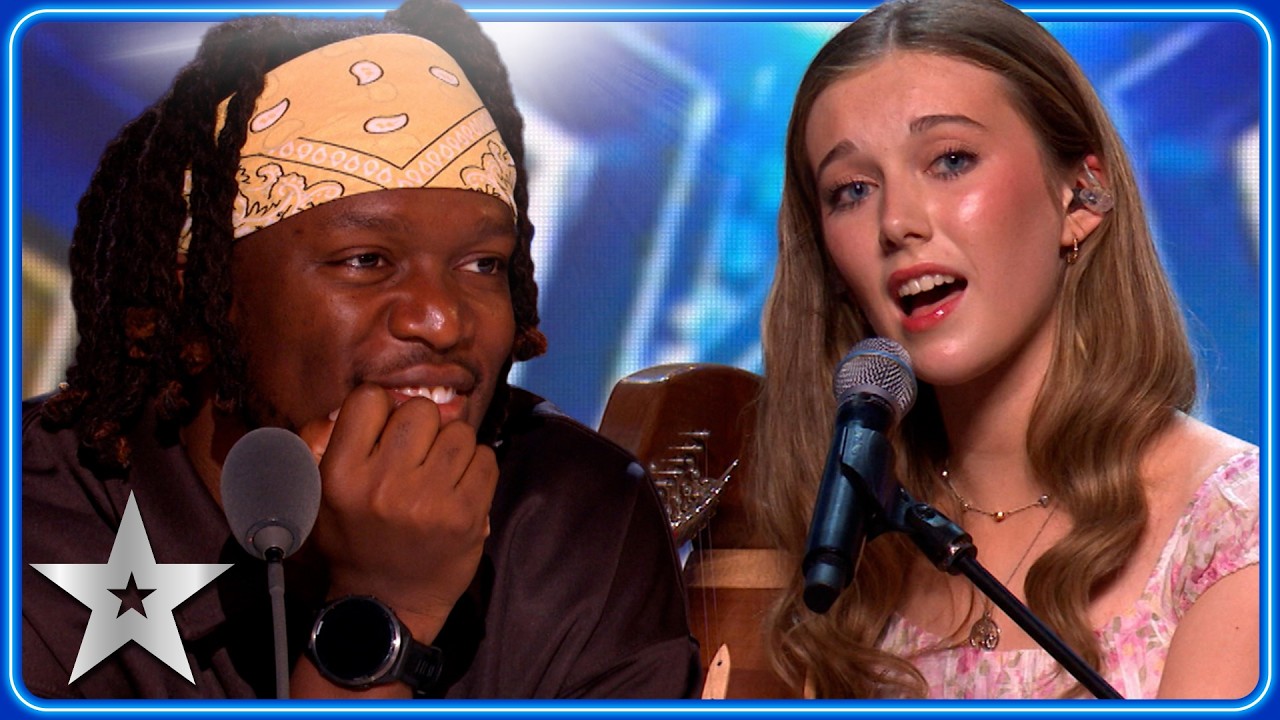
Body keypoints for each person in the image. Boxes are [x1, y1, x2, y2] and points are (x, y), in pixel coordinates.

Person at [21, 0, 699, 699]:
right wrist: (389, 604)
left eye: (483, 265)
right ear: (201, 294)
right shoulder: (32, 527)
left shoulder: (574, 515)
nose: (442, 321)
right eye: (366, 260)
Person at [749, 0, 1259, 700]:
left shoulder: (1238, 527)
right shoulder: (851, 554)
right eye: (852, 190)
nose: (896, 222)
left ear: (1082, 195)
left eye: (950, 160)